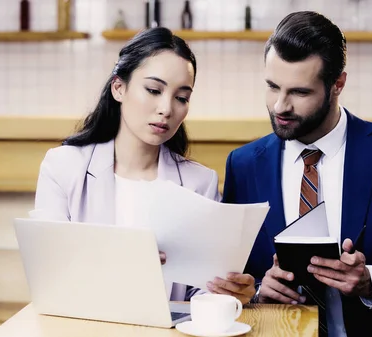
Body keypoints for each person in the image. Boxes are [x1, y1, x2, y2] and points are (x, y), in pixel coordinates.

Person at [220, 11, 372, 336]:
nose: (280, 106)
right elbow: (228, 278)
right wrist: (257, 290)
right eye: (272, 86)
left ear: (338, 84)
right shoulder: (243, 165)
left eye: (299, 92)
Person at [31, 27, 256, 303]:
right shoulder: (63, 167)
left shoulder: (200, 183)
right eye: (153, 90)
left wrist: (229, 293)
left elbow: (200, 291)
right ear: (119, 88)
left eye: (182, 97)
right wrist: (122, 261)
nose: (167, 109)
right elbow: (49, 274)